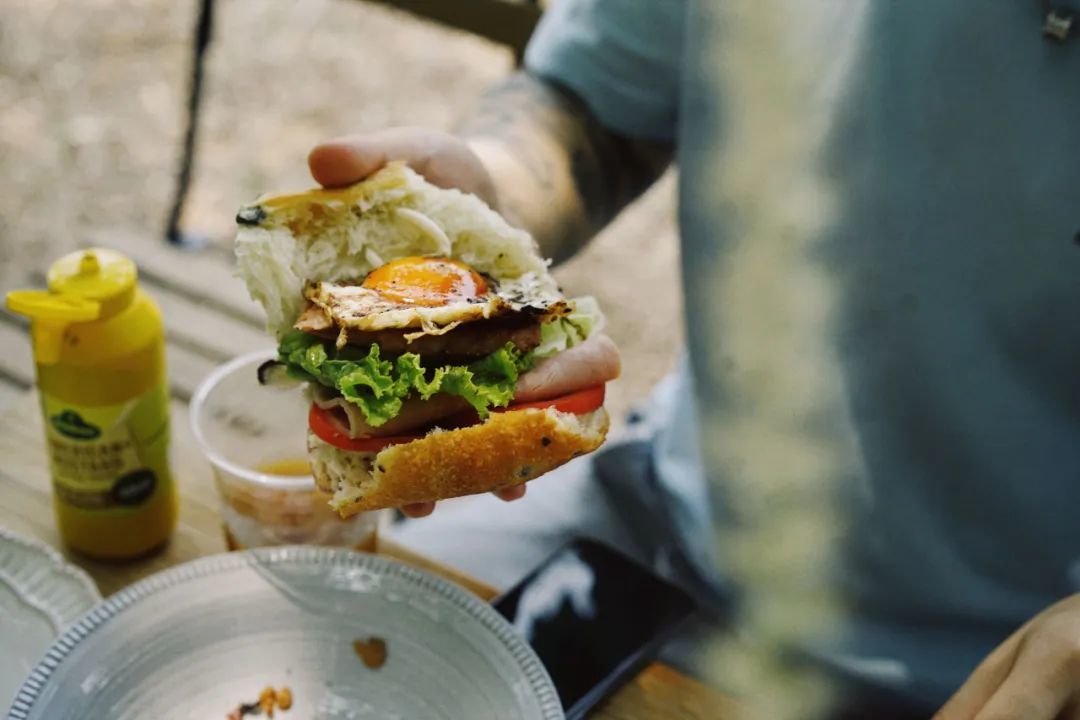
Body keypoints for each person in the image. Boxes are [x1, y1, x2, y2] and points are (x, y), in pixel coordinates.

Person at [305, 1, 1080, 717]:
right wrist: (479, 217)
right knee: (327, 665)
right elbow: (592, 107)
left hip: (995, 664)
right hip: (655, 525)